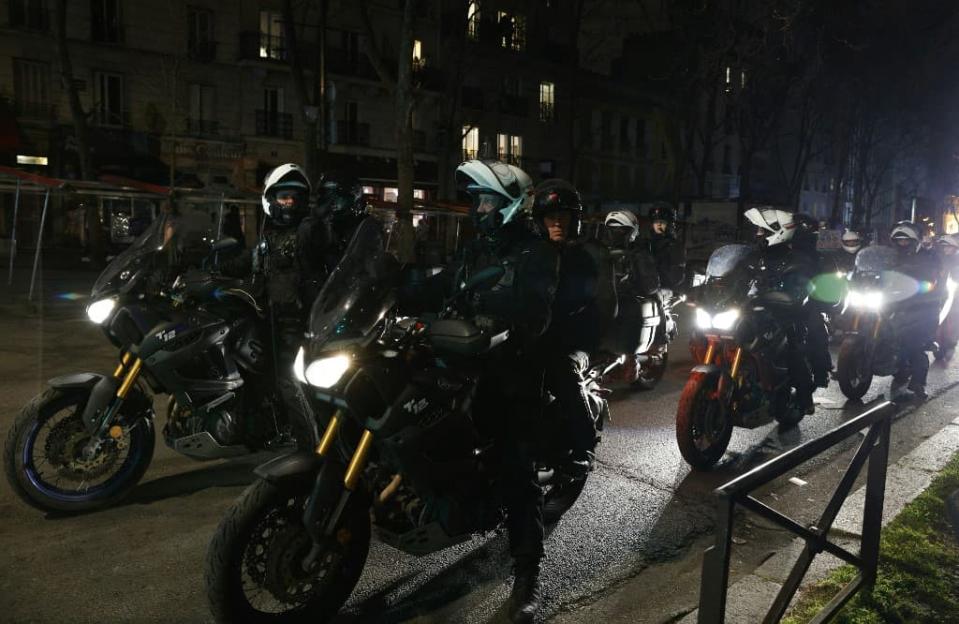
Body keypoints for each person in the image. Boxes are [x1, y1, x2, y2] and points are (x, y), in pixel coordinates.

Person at [399, 160, 558, 623]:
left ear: (511, 206)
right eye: (478, 201)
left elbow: (536, 311)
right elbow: (444, 284)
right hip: (458, 359)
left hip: (510, 373)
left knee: (514, 465)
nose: (480, 209)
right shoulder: (474, 249)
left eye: (489, 200)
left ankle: (527, 577)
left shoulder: (536, 254)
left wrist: (497, 318)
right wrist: (396, 289)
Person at [221, 163, 326, 447]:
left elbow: (316, 245)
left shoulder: (307, 231)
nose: (289, 202)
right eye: (283, 196)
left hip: (296, 322)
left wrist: (313, 225)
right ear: (271, 200)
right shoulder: (269, 237)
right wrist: (214, 266)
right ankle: (257, 426)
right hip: (266, 317)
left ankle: (309, 443)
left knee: (289, 381)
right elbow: (249, 262)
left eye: (294, 196)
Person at [531, 180, 610, 478]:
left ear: (574, 220)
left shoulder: (581, 258)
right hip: (535, 335)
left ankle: (583, 447)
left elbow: (575, 297)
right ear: (540, 221)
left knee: (563, 372)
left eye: (563, 216)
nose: (557, 223)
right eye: (551, 217)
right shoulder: (532, 255)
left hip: (574, 337)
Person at [743, 207, 822, 415]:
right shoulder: (754, 256)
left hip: (787, 315)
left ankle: (805, 396)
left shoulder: (797, 259)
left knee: (793, 348)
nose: (758, 235)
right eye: (757, 231)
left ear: (778, 232)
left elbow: (803, 288)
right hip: (757, 311)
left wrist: (790, 297)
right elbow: (734, 276)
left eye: (763, 231)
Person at [889, 221, 941, 400]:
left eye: (906, 241)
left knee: (914, 343)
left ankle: (918, 384)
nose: (902, 244)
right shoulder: (891, 256)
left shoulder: (929, 256)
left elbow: (931, 276)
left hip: (922, 305)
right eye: (899, 241)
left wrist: (912, 273)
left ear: (914, 241)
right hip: (895, 301)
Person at [643, 201, 686, 293]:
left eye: (662, 222)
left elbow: (676, 277)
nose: (658, 224)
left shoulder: (674, 246)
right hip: (646, 288)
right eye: (656, 222)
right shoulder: (645, 243)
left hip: (665, 289)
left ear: (669, 224)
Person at [935, 233, 959, 362]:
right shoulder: (939, 259)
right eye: (944, 247)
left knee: (954, 318)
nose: (946, 250)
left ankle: (951, 342)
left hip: (955, 294)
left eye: (948, 247)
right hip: (941, 293)